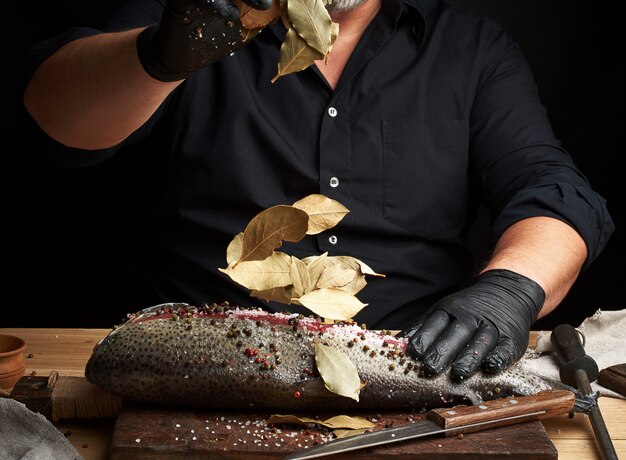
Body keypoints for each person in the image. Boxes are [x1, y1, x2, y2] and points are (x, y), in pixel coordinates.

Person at [23, 0, 614, 380]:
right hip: (199, 362)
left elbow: (551, 189)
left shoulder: (468, 47)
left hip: (419, 367)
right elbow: (56, 126)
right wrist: (157, 57)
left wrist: (509, 290)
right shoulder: (186, 12)